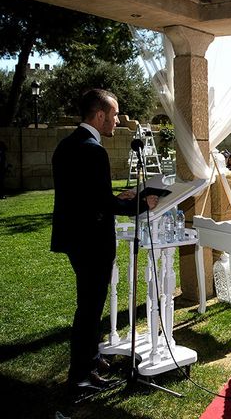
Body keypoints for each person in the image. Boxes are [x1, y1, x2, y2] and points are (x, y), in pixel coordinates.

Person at [51, 89, 159, 397]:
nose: (116, 120)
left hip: (73, 238)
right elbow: (98, 203)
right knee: (88, 309)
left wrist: (117, 198)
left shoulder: (67, 145)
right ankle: (80, 377)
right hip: (92, 241)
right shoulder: (93, 150)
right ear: (99, 116)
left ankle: (92, 360)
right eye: (113, 115)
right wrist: (141, 203)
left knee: (87, 306)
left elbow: (83, 196)